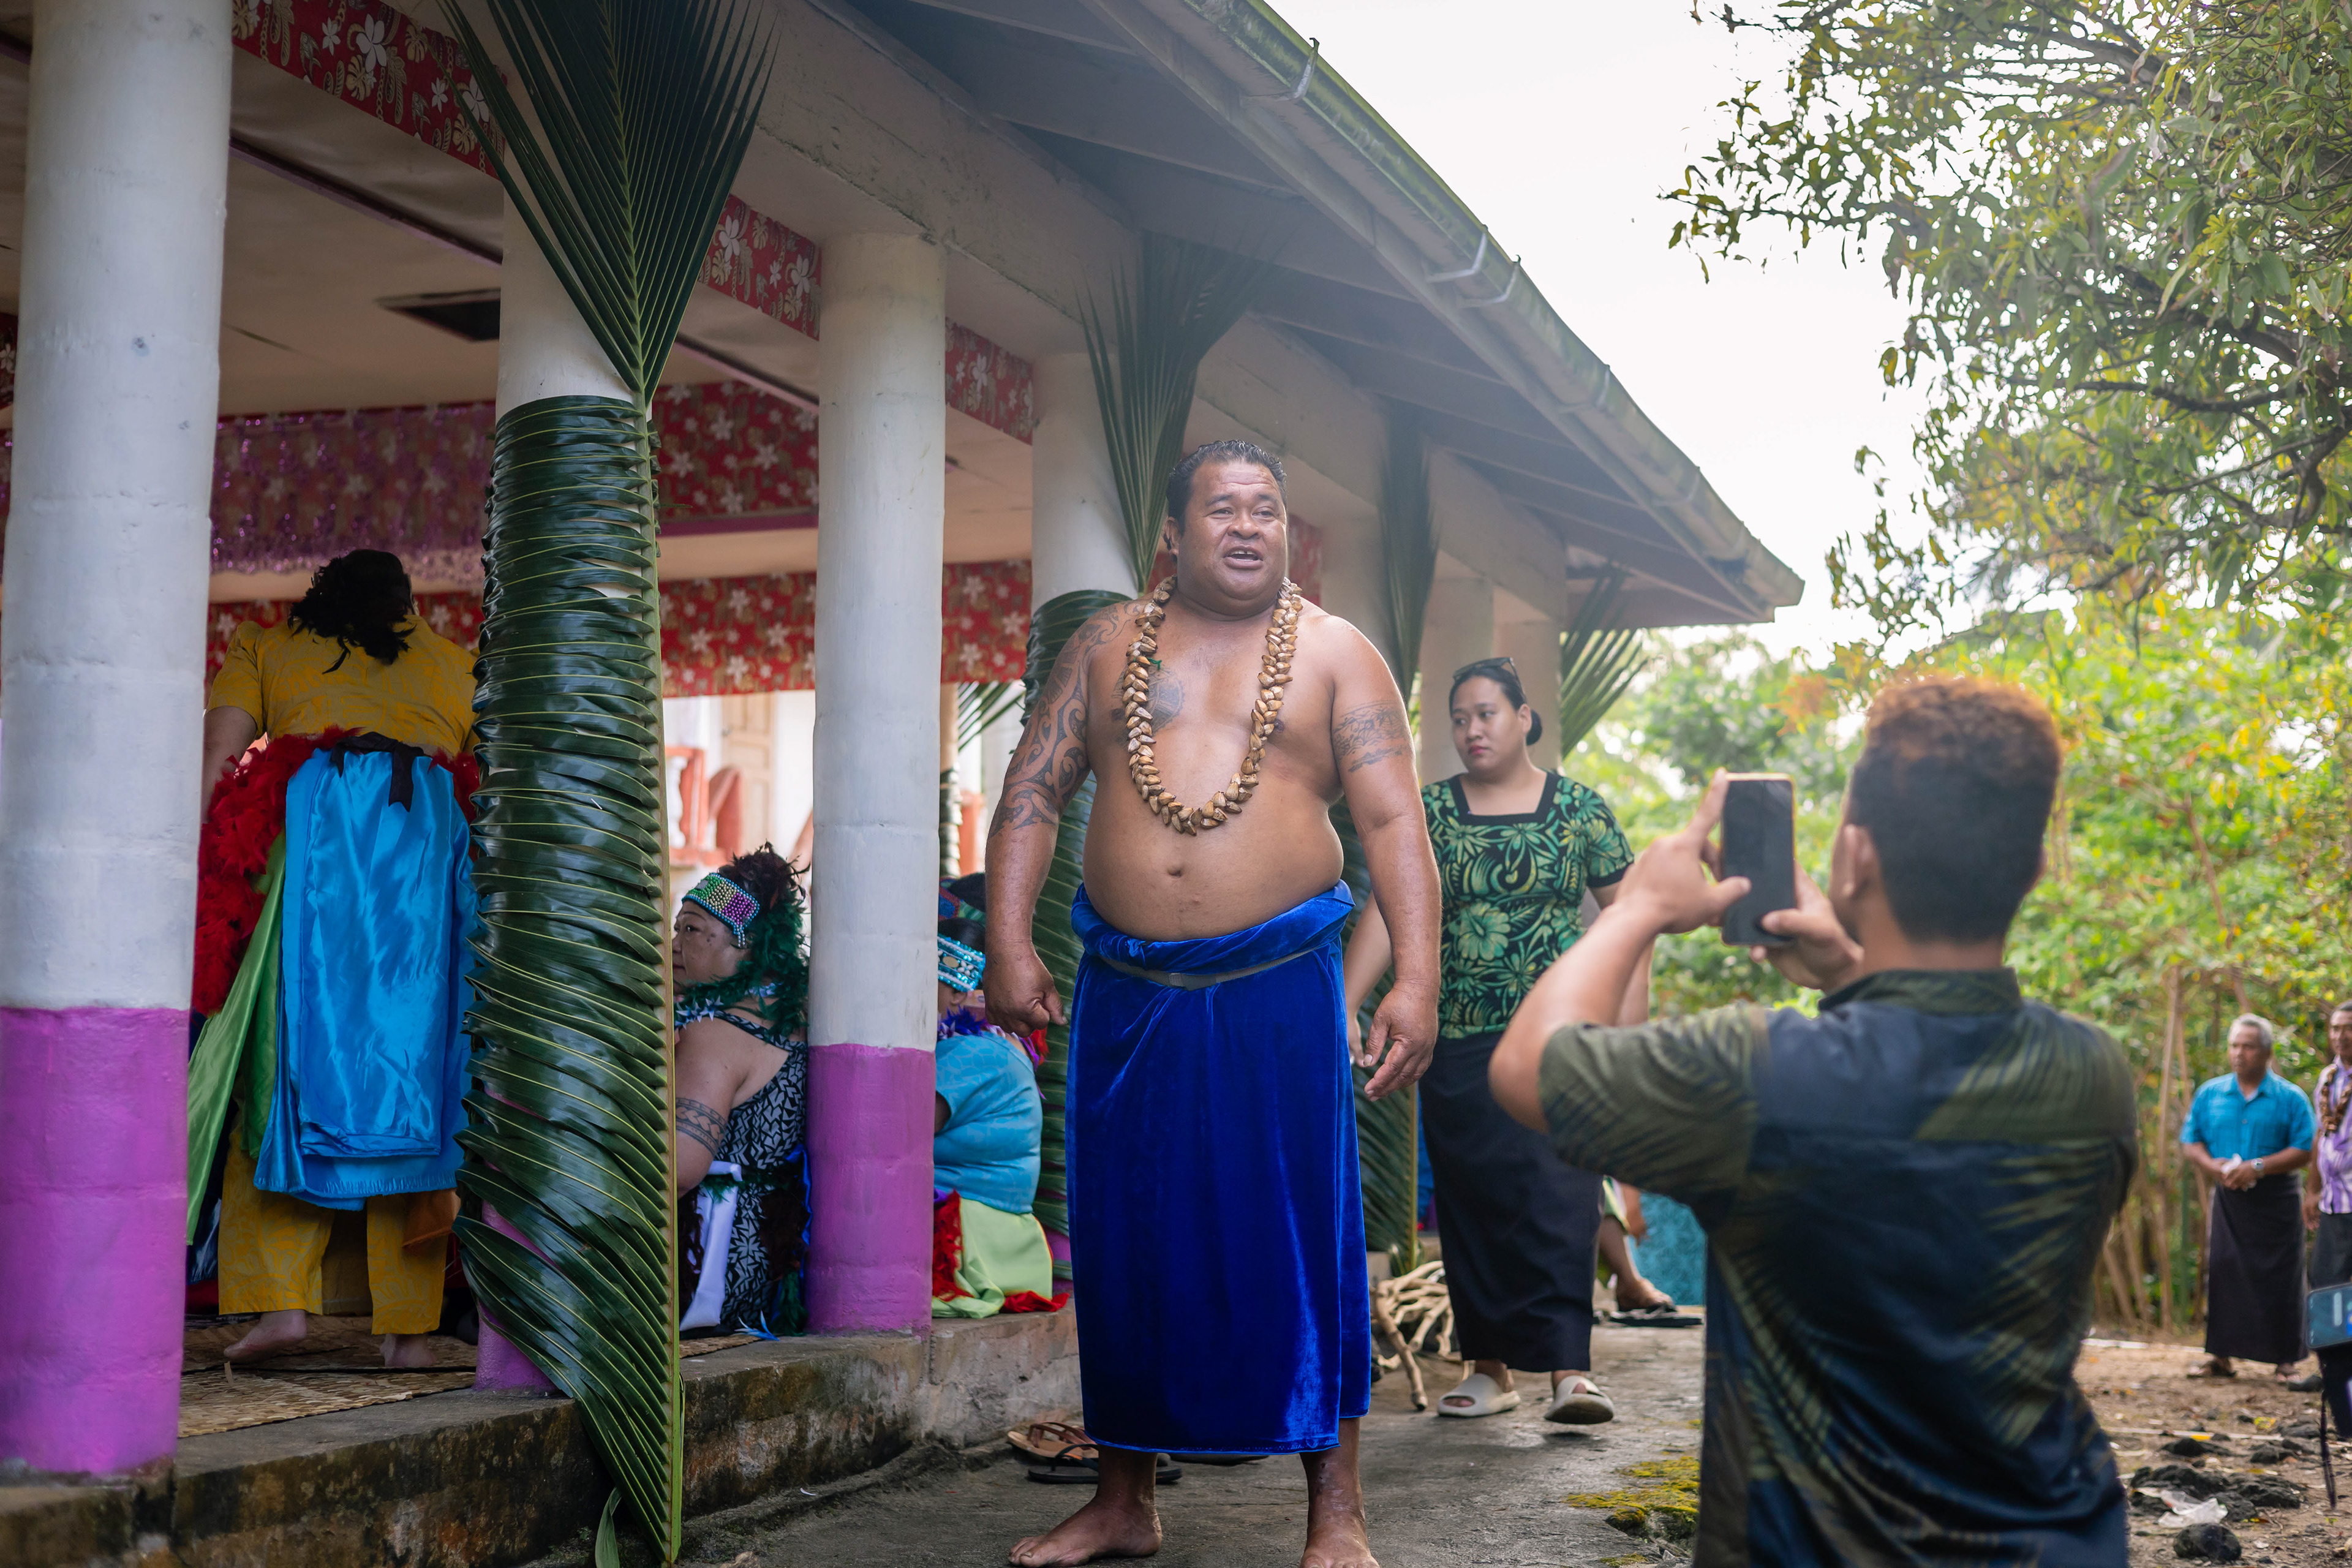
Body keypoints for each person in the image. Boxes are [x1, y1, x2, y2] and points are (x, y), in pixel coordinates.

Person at [1488, 676, 2137, 1565]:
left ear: (1855, 858)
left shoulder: (1761, 1079)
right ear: (2030, 869)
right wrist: (1853, 975)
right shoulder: (2093, 1078)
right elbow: (1921, 1070)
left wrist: (1637, 906)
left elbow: (1529, 1067)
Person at [984, 440, 1441, 1568]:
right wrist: (1004, 943)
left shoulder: (1336, 654)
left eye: (1268, 511)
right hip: (1125, 991)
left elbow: (1394, 828)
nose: (1248, 527)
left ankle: (1336, 1516)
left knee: (1299, 1236)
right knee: (1127, 1239)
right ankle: (1124, 1499)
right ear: (1172, 538)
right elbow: (1034, 790)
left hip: (1276, 988)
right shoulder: (1106, 648)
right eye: (1223, 510)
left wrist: (1418, 981)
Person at [189, 549, 478, 1368]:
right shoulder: (458, 665)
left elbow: (216, 766)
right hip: (421, 881)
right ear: (407, 609)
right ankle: (406, 1330)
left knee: (276, 1080)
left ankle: (280, 1309)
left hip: (307, 869)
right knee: (418, 1087)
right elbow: (502, 789)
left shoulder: (265, 648)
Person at [1341, 655, 1647, 1422]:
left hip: (1559, 1037)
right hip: (1459, 1037)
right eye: (1460, 716)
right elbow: (1387, 909)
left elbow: (1631, 917)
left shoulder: (1579, 808)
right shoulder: (1431, 811)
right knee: (1472, 1200)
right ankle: (1489, 1368)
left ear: (1523, 717)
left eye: (1487, 712)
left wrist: (1627, 1029)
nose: (1473, 729)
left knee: (1560, 1194)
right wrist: (1343, 999)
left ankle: (1570, 1373)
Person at [672, 846, 812, 1337]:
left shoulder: (715, 1034)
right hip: (772, 1271)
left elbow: (678, 1170)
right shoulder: (795, 1024)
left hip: (709, 1267)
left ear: (745, 944)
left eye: (691, 929)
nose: (673, 945)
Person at [932, 875, 1057, 1317]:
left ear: (961, 991)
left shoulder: (972, 1052)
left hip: (970, 1244)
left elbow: (896, 1130)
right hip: (999, 1240)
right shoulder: (997, 1046)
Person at [2182, 1014, 2316, 1381]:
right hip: (2229, 1197)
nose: (2239, 1053)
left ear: (2267, 1052)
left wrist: (2258, 1166)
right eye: (2234, 1045)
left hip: (2278, 1197)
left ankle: (2285, 1360)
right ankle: (2220, 1358)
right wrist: (2212, 1166)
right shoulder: (2210, 1093)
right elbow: (2190, 1140)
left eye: (2248, 1046)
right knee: (2224, 1270)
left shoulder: (2290, 1098)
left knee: (2282, 1276)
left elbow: (2306, 1148)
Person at [2307, 1001, 2352, 1289]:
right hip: (2334, 1204)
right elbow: (2320, 1137)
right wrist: (2312, 1190)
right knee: (2326, 1287)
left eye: (2349, 1029)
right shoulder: (2328, 1078)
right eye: (2336, 1028)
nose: (2341, 1035)